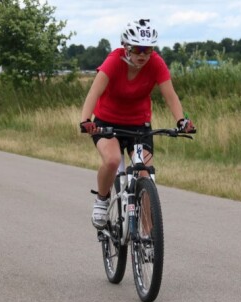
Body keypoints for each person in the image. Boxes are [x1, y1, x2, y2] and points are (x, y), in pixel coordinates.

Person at [79, 19, 195, 229]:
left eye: (148, 49)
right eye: (137, 49)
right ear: (126, 47)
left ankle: (148, 238)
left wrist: (182, 121)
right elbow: (94, 92)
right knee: (113, 160)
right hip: (107, 124)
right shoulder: (114, 61)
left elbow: (170, 95)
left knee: (145, 173)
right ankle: (102, 199)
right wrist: (86, 120)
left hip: (139, 126)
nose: (142, 55)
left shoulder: (156, 63)